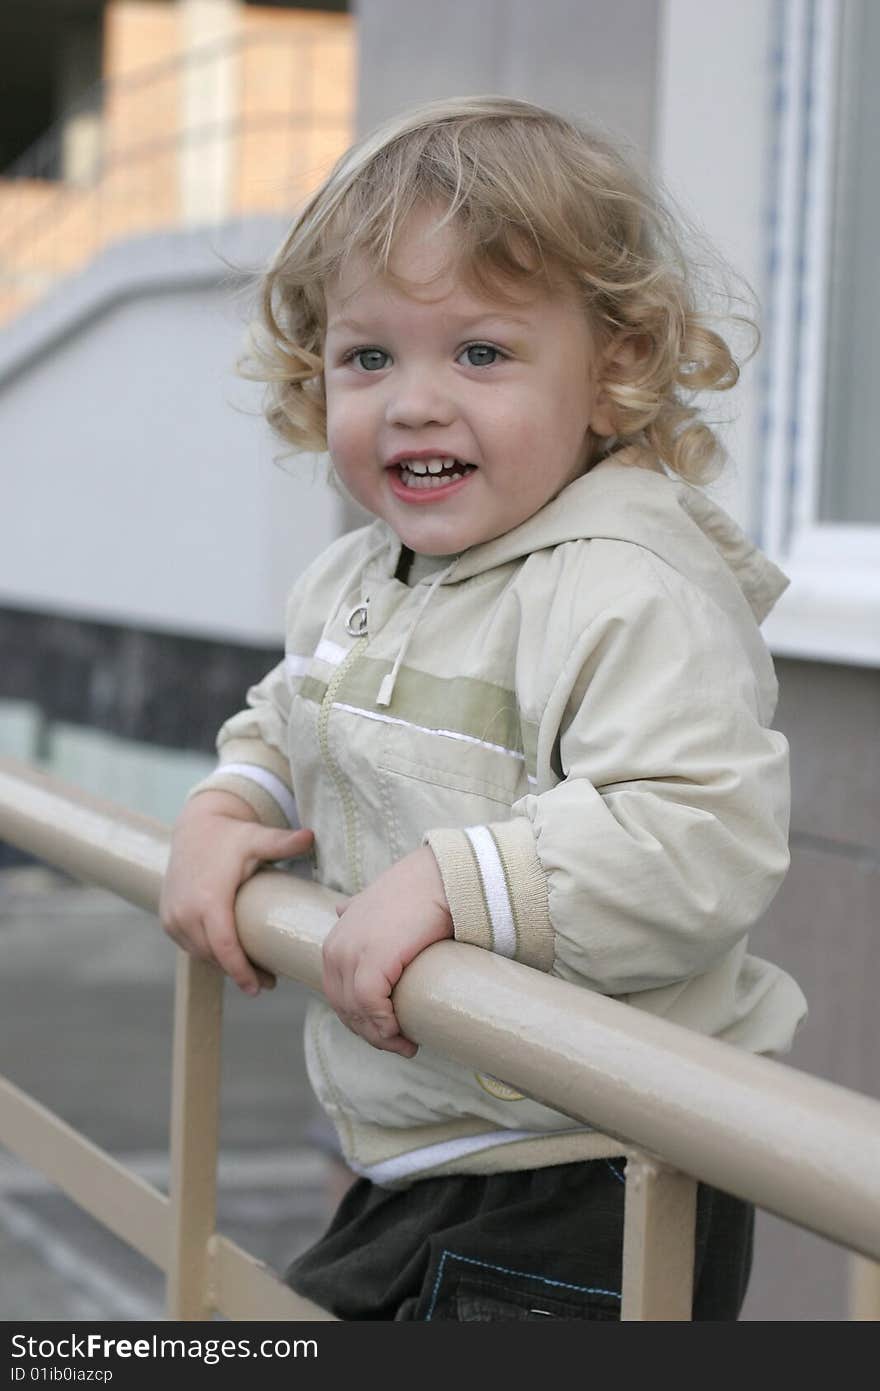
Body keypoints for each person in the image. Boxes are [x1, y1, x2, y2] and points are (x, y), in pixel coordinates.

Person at [159, 95, 807, 1321]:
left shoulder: (628, 581)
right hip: (421, 1146)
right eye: (369, 356)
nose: (413, 401)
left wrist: (458, 881)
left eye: (480, 353)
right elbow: (287, 718)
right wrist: (228, 799)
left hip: (597, 1169)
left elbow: (697, 833)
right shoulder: (356, 578)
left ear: (613, 369)